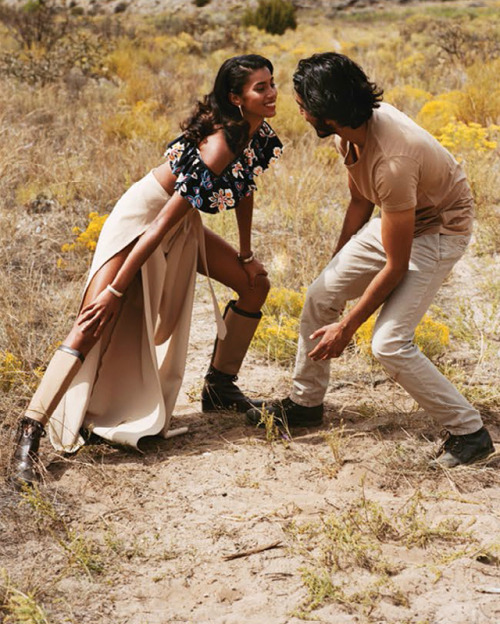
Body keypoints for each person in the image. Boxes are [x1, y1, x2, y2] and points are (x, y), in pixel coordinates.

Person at [12, 54, 282, 488]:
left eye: (272, 84)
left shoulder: (256, 133)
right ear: (236, 98)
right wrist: (115, 290)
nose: (271, 94)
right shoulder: (221, 142)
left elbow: (244, 186)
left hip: (182, 224)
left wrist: (247, 254)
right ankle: (29, 432)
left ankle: (220, 386)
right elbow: (157, 224)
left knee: (256, 285)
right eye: (260, 88)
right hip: (143, 220)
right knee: (93, 320)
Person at [246, 52, 495, 468]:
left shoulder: (394, 162)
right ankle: (305, 405)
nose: (300, 112)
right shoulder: (351, 131)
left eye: (305, 107)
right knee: (320, 294)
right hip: (403, 217)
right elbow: (360, 199)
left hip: (439, 229)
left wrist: (347, 327)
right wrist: (337, 264)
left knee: (389, 343)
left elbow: (395, 266)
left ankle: (471, 434)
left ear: (328, 113)